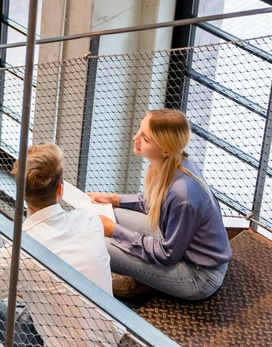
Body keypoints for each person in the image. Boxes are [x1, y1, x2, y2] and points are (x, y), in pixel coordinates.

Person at [0, 144, 121, 347]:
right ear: (60, 190)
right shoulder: (89, 220)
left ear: (21, 195)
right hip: (108, 344)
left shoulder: (23, 250)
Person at [89, 109, 232, 301]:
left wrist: (115, 231)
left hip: (199, 276)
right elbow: (154, 202)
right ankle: (144, 280)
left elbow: (167, 254)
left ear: (165, 150)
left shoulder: (183, 195)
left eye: (145, 138)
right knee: (109, 214)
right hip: (180, 248)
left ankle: (136, 282)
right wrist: (113, 199)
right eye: (140, 130)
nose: (135, 138)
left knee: (100, 245)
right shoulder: (176, 163)